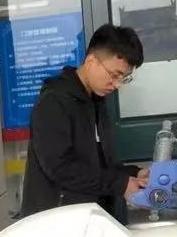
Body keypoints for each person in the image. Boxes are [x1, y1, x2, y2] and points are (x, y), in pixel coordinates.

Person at [21, 22, 147, 224]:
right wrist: (121, 184)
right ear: (91, 61)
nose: (116, 85)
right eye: (115, 75)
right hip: (58, 224)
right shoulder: (54, 101)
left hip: (92, 220)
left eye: (124, 78)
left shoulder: (96, 102)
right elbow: (61, 168)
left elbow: (98, 165)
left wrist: (134, 174)